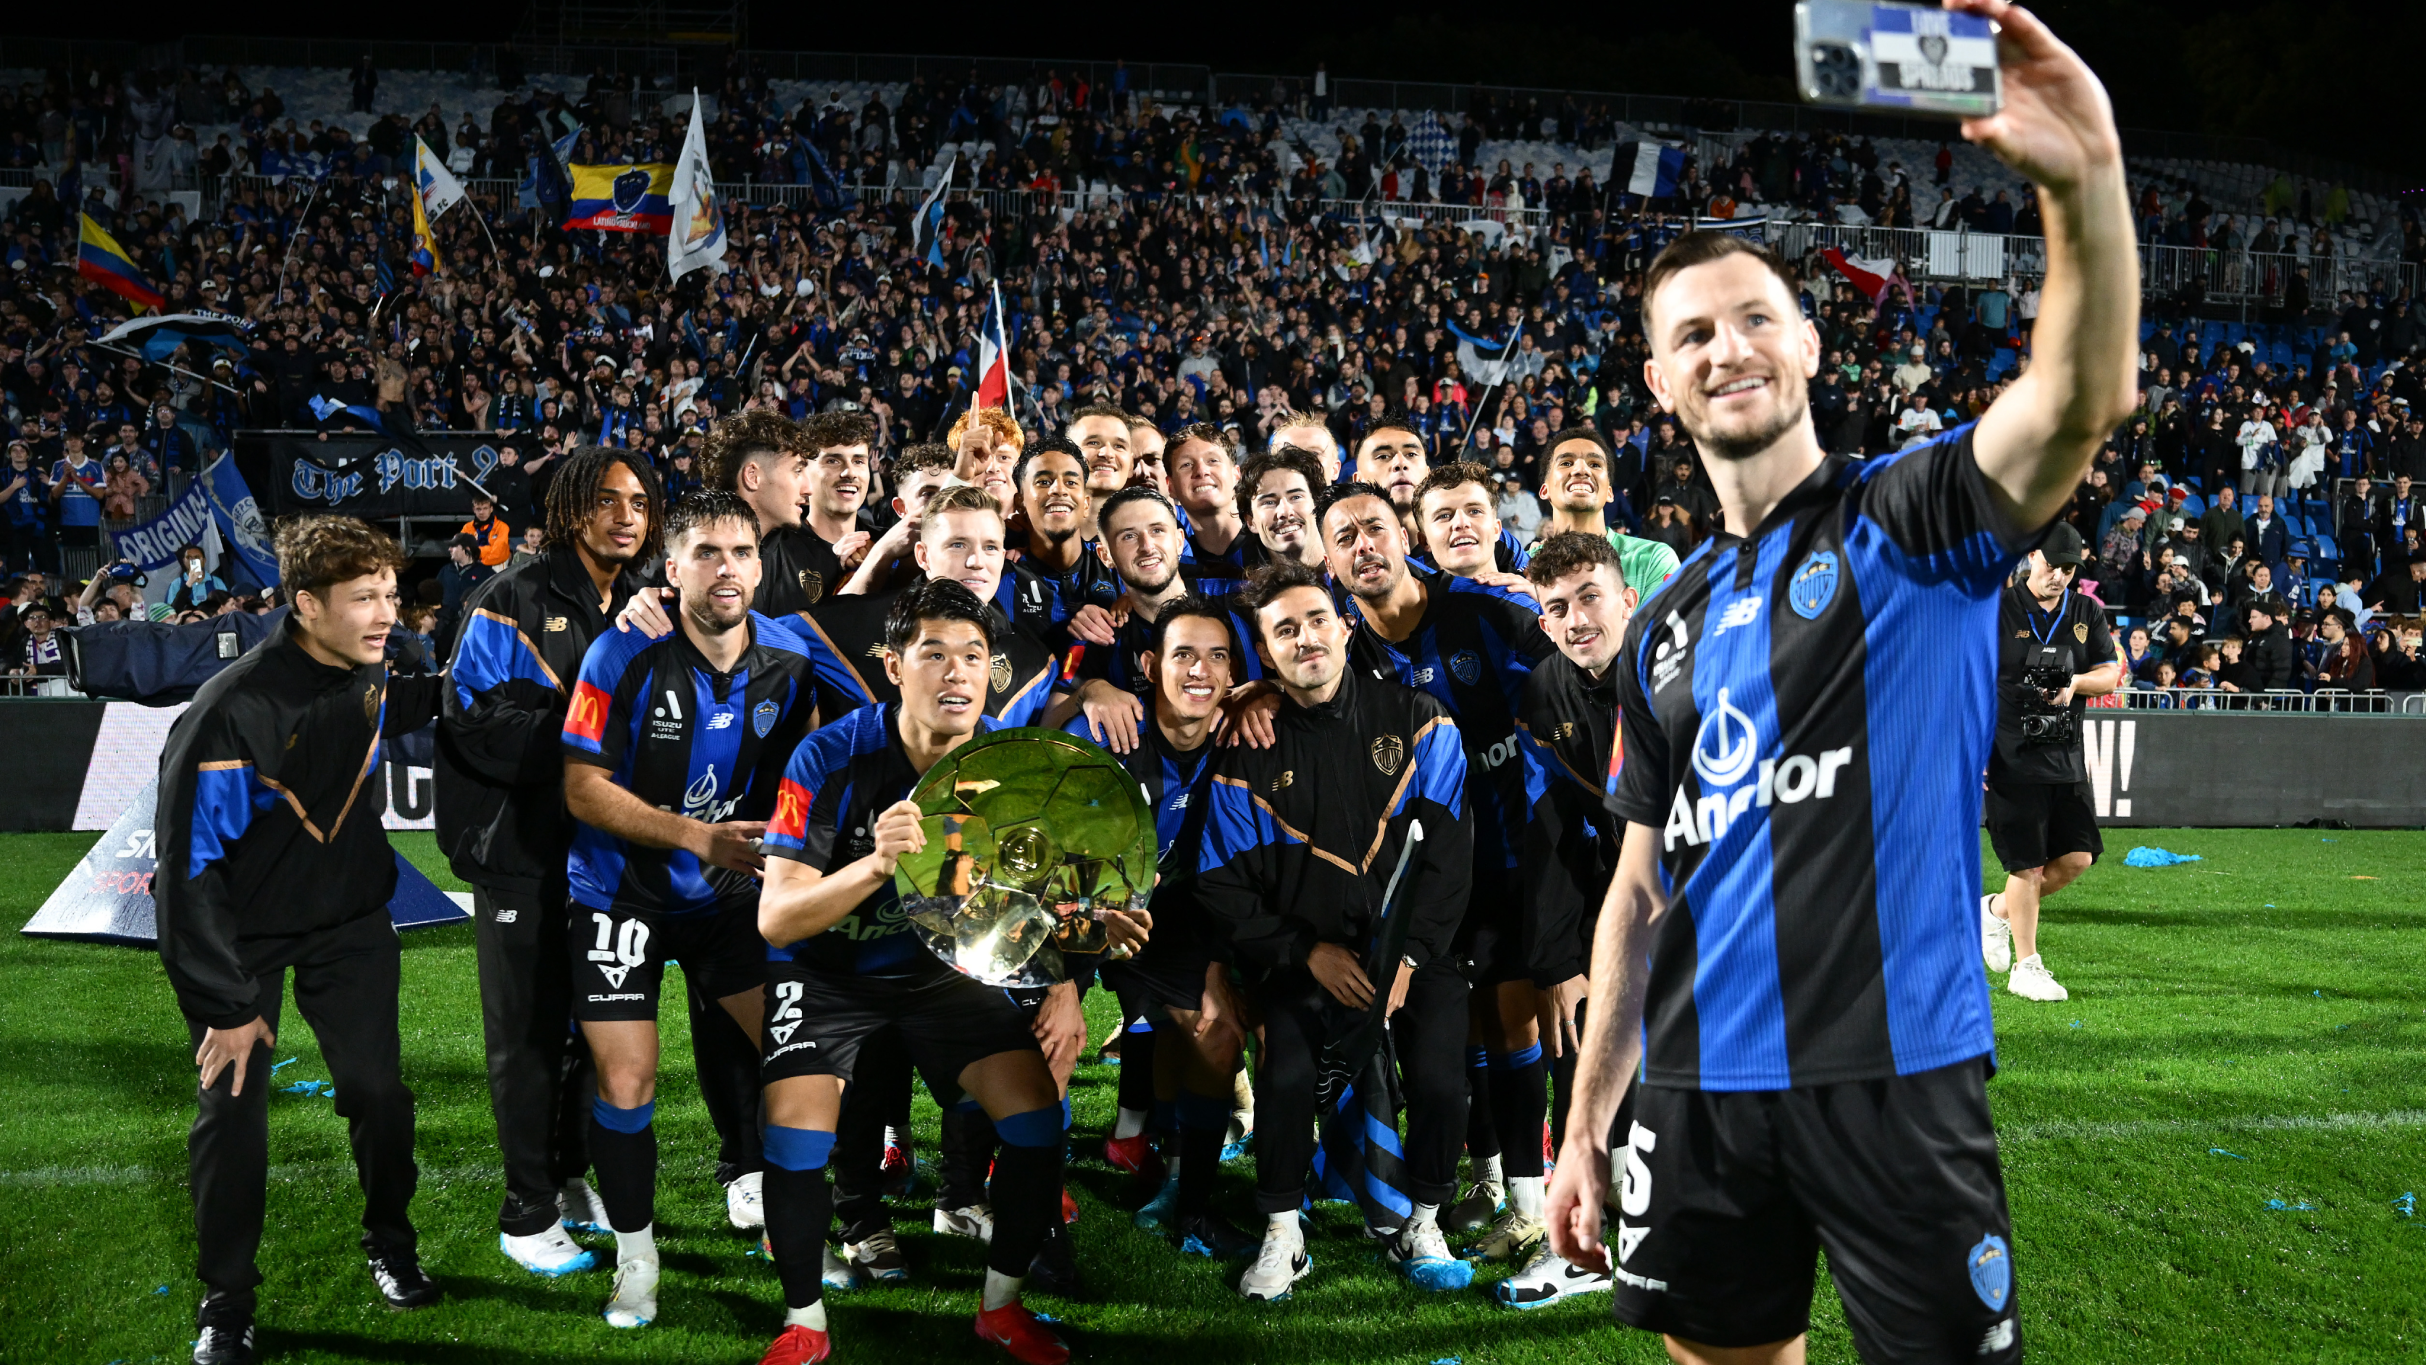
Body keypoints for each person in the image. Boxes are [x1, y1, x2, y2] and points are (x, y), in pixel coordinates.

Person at [1548, 8, 2138, 1360]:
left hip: (1893, 1079)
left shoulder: (1910, 517)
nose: (1726, 346)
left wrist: (2082, 173)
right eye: (1691, 333)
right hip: (1692, 1088)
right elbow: (1637, 895)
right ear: (1657, 382)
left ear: (1808, 346)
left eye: (1755, 316)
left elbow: (2077, 394)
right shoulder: (1664, 626)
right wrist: (1586, 1122)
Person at [753, 578, 1148, 1365]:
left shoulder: (1009, 760)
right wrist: (875, 865)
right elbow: (777, 917)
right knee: (796, 1134)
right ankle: (805, 1323)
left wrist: (1096, 927)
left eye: (974, 655)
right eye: (934, 654)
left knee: (1037, 1119)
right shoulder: (829, 753)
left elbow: (1034, 908)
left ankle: (1001, 1310)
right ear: (895, 667)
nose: (957, 672)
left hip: (940, 975)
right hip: (827, 973)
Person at [156, 516, 446, 1365]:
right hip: (244, 945)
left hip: (351, 928)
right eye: (364, 598)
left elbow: (400, 709)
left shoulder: (370, 670)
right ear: (305, 604)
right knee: (232, 1113)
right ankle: (226, 1301)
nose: (385, 612)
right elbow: (188, 872)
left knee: (380, 1095)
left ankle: (391, 1242)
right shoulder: (231, 710)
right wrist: (227, 1004)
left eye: (391, 595)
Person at [558, 490, 825, 1329]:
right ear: (671, 571)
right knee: (628, 1077)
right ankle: (637, 1260)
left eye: (742, 553)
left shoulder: (792, 656)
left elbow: (811, 768)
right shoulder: (618, 652)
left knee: (801, 1060)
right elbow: (579, 787)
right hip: (621, 892)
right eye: (707, 553)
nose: (727, 569)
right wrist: (695, 836)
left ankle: (801, 1233)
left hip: (726, 901)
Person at [1198, 559, 1476, 1301]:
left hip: (1416, 954)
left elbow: (1449, 855)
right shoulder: (1244, 752)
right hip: (1307, 958)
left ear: (1346, 627)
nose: (1306, 637)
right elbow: (1221, 882)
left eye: (1317, 620)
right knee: (1285, 1068)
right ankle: (1283, 1230)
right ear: (1266, 652)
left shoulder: (1422, 718)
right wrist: (1302, 951)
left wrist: (1409, 957)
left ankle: (1421, 1217)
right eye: (1284, 629)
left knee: (1445, 1078)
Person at [437, 446, 660, 1275]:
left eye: (639, 501)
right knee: (527, 1036)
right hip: (519, 854)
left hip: (602, 861)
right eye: (607, 500)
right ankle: (523, 1210)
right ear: (570, 511)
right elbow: (469, 716)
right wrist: (592, 725)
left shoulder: (642, 604)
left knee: (585, 1029)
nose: (626, 515)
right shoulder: (510, 597)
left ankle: (566, 1180)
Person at [1323, 476, 1556, 1262]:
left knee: (1517, 1017)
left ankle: (1534, 1200)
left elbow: (1574, 668)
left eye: (1375, 528)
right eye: (1344, 536)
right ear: (1329, 558)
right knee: (1467, 1037)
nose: (1363, 545)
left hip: (1515, 854)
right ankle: (1491, 1182)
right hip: (1423, 880)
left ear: (1404, 537)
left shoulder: (1489, 609)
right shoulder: (1343, 654)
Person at [1061, 593, 1259, 1259]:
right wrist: (1071, 963)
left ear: (1233, 673)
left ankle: (1188, 1197)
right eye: (1183, 653)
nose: (1200, 669)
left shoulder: (1242, 740)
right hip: (1076, 907)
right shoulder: (1108, 734)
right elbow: (1044, 860)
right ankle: (1000, 1198)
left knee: (1215, 1025)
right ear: (1149, 664)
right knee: (1050, 1034)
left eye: (1216, 656)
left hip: (1169, 917)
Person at [1494, 531, 1640, 1309]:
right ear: (1544, 623)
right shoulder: (1544, 692)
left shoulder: (1682, 675)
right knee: (1580, 1063)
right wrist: (1557, 963)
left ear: (1629, 599)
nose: (1577, 617)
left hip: (1719, 907)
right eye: (1558, 606)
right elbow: (1546, 828)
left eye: (1590, 596)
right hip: (1617, 904)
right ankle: (1582, 1250)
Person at [1981, 521, 2120, 1002]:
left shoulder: (2086, 611)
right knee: (2028, 865)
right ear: (2031, 556)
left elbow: (2110, 672)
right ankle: (2027, 967)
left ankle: (1996, 911)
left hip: (2064, 755)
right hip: (2009, 755)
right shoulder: (1996, 609)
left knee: (2079, 857)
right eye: (2051, 565)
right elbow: (1966, 681)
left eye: (2068, 569)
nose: (2058, 576)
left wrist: (2075, 684)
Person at [1530, 427, 1683, 596]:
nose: (1581, 470)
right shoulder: (1525, 565)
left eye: (1595, 464)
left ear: (1610, 493)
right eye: (1566, 463)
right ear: (1545, 490)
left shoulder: (1652, 560)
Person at [461, 493, 512, 567]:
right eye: (478, 509)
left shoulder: (502, 527)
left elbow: (498, 553)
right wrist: (489, 549)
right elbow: (462, 551)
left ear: (491, 509)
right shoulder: (467, 528)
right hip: (473, 565)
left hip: (496, 565)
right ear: (474, 510)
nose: (481, 512)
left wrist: (478, 558)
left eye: (485, 508)